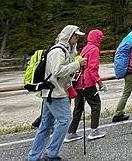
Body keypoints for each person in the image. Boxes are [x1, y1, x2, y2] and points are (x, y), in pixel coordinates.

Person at [28, 25, 87, 161]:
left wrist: (75, 66)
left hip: (51, 92)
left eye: (78, 36)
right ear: (68, 35)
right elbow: (57, 72)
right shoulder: (58, 51)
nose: (77, 37)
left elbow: (63, 70)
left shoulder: (67, 50)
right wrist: (77, 65)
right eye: (75, 35)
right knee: (65, 120)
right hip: (56, 93)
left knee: (45, 126)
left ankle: (34, 157)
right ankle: (51, 153)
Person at [64, 29, 107, 143]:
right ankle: (94, 131)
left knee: (78, 108)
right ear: (97, 38)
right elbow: (93, 68)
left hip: (78, 83)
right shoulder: (95, 49)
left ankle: (71, 133)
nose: (101, 40)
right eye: (100, 38)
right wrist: (100, 82)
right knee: (96, 104)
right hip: (88, 83)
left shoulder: (85, 48)